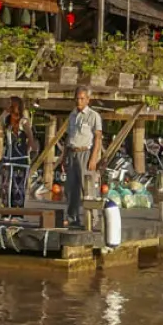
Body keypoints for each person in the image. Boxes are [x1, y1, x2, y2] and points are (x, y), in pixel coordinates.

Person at [63, 85, 102, 229]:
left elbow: (98, 138)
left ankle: (93, 218)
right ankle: (73, 217)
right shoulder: (72, 115)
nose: (79, 101)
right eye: (77, 98)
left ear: (88, 100)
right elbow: (69, 137)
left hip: (86, 152)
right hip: (72, 152)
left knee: (88, 187)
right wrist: (63, 157)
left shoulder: (93, 116)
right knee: (71, 187)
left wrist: (93, 158)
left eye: (82, 98)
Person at [0, 98, 32, 206]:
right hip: (7, 158)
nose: (7, 105)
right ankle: (6, 213)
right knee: (6, 186)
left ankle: (17, 213)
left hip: (20, 159)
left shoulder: (24, 121)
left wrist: (26, 151)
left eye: (9, 104)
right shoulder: (5, 120)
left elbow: (31, 139)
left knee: (18, 186)